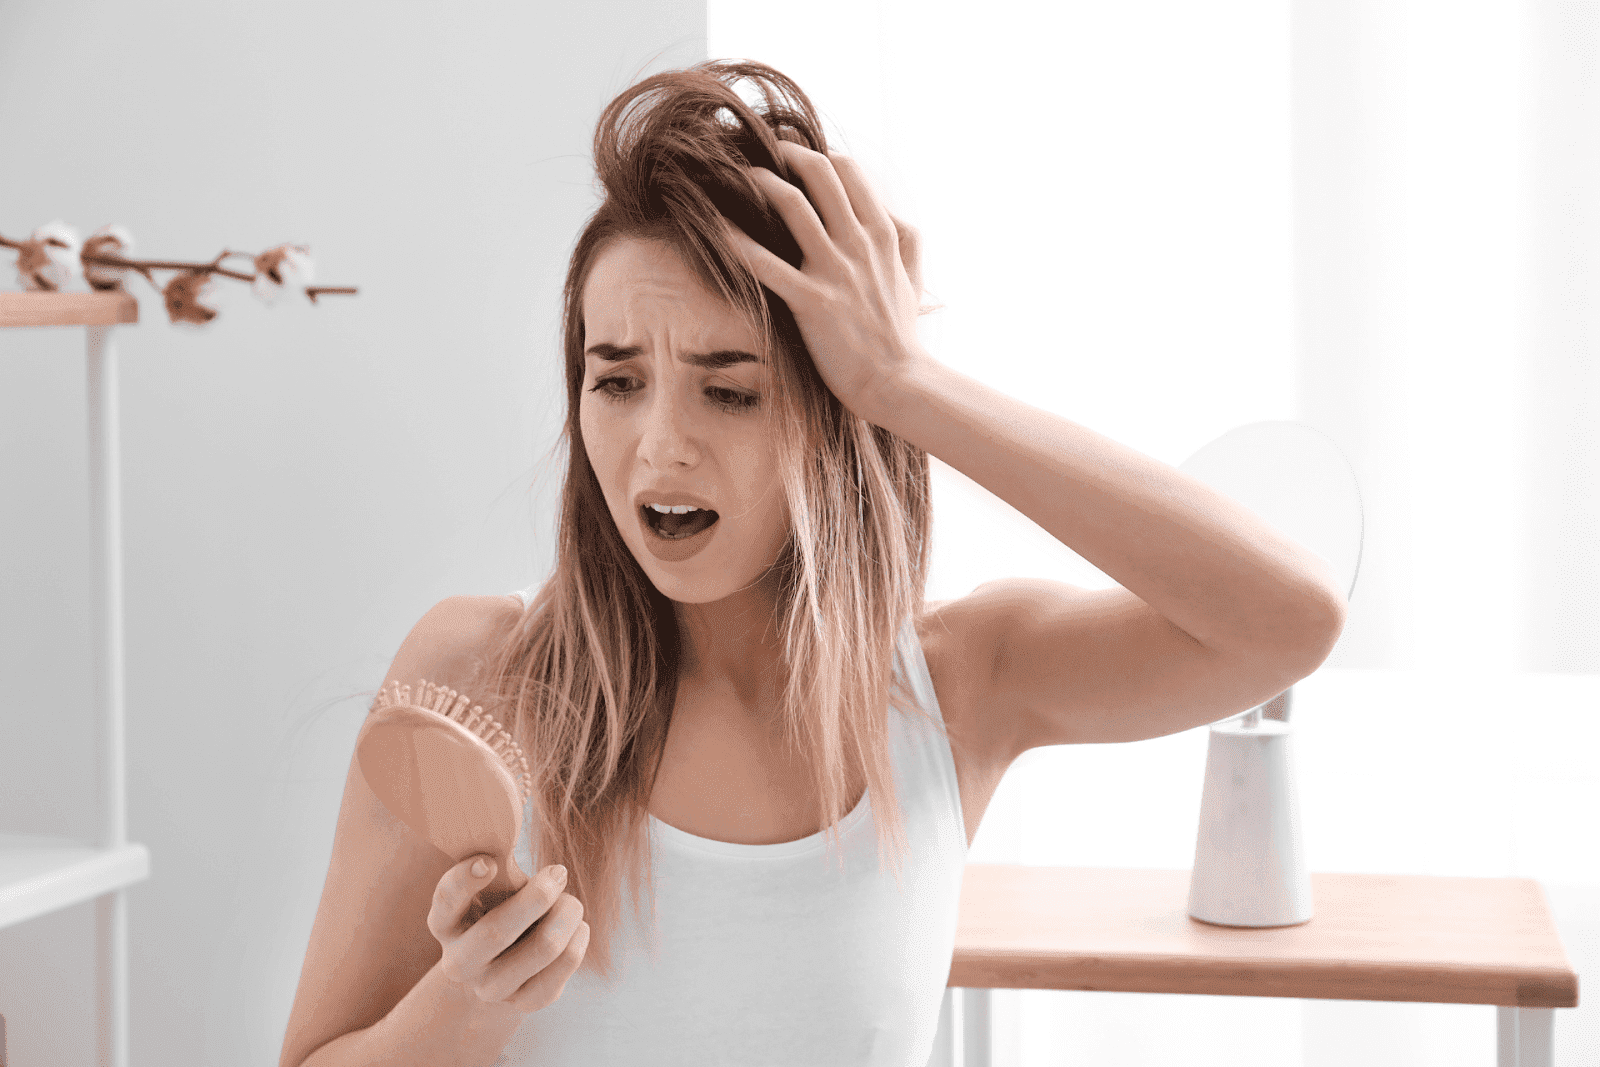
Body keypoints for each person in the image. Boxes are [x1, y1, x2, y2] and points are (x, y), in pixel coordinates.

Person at [279, 58, 1345, 1067]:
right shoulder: (480, 675)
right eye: (615, 380)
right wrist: (465, 997)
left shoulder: (956, 687)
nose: (658, 445)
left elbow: (1290, 617)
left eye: (729, 387)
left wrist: (906, 384)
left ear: (835, 412)